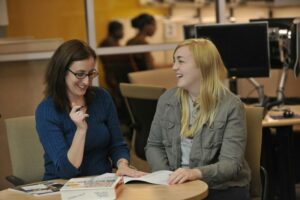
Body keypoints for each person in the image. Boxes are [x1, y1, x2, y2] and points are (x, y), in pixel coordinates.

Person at [145, 38, 250, 199]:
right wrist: (166, 176)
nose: (174, 67)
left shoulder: (231, 105)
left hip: (221, 188)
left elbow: (231, 165)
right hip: (177, 185)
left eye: (181, 61)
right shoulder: (167, 99)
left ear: (203, 65)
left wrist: (194, 173)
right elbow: (153, 145)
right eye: (174, 61)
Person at [35, 39, 145, 180]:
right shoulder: (46, 111)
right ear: (62, 72)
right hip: (64, 187)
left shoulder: (102, 97)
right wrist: (81, 130)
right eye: (80, 74)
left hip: (102, 182)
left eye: (90, 73)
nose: (86, 81)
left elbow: (117, 145)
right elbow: (66, 171)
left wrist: (122, 164)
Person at [98, 21, 133, 134]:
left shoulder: (114, 43)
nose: (123, 33)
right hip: (115, 78)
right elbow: (113, 64)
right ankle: (121, 129)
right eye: (121, 30)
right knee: (119, 102)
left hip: (118, 77)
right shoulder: (107, 44)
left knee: (122, 102)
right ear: (115, 31)